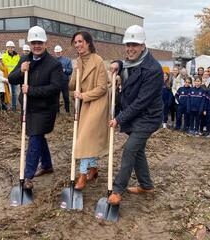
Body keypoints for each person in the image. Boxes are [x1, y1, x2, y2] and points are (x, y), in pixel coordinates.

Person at [106, 25, 163, 205]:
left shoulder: (153, 70)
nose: (130, 49)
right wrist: (117, 62)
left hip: (148, 117)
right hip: (135, 115)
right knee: (138, 152)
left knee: (130, 149)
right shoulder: (132, 60)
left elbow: (141, 102)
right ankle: (146, 185)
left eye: (134, 45)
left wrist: (119, 119)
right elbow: (125, 62)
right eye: (128, 44)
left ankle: (117, 190)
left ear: (143, 46)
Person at [8, 26, 62, 189]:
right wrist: (21, 71)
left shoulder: (53, 64)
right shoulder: (25, 59)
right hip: (29, 107)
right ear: (30, 44)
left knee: (34, 139)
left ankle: (27, 177)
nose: (36, 46)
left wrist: (31, 90)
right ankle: (46, 165)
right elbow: (11, 79)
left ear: (45, 43)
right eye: (33, 43)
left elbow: (55, 87)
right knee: (37, 137)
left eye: (39, 42)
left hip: (45, 109)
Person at [67, 31, 109, 190]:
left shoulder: (97, 60)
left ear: (88, 43)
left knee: (84, 139)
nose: (77, 45)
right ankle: (93, 168)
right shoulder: (77, 61)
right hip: (85, 103)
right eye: (75, 42)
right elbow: (72, 86)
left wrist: (83, 95)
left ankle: (82, 175)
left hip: (97, 103)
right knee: (87, 139)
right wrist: (74, 71)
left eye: (80, 41)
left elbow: (102, 88)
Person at [54, 45, 73, 113]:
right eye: (56, 52)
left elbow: (70, 71)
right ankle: (57, 111)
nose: (58, 53)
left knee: (66, 97)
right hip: (55, 82)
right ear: (54, 52)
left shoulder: (67, 60)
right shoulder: (52, 60)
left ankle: (67, 111)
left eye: (59, 52)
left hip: (64, 81)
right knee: (56, 97)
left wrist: (64, 70)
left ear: (61, 52)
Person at [3, 40, 21, 112]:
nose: (10, 49)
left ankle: (14, 108)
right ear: (7, 48)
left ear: (14, 48)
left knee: (14, 93)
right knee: (6, 92)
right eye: (9, 47)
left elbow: (19, 65)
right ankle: (6, 107)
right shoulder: (4, 56)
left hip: (14, 76)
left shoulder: (17, 56)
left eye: (12, 47)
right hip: (6, 76)